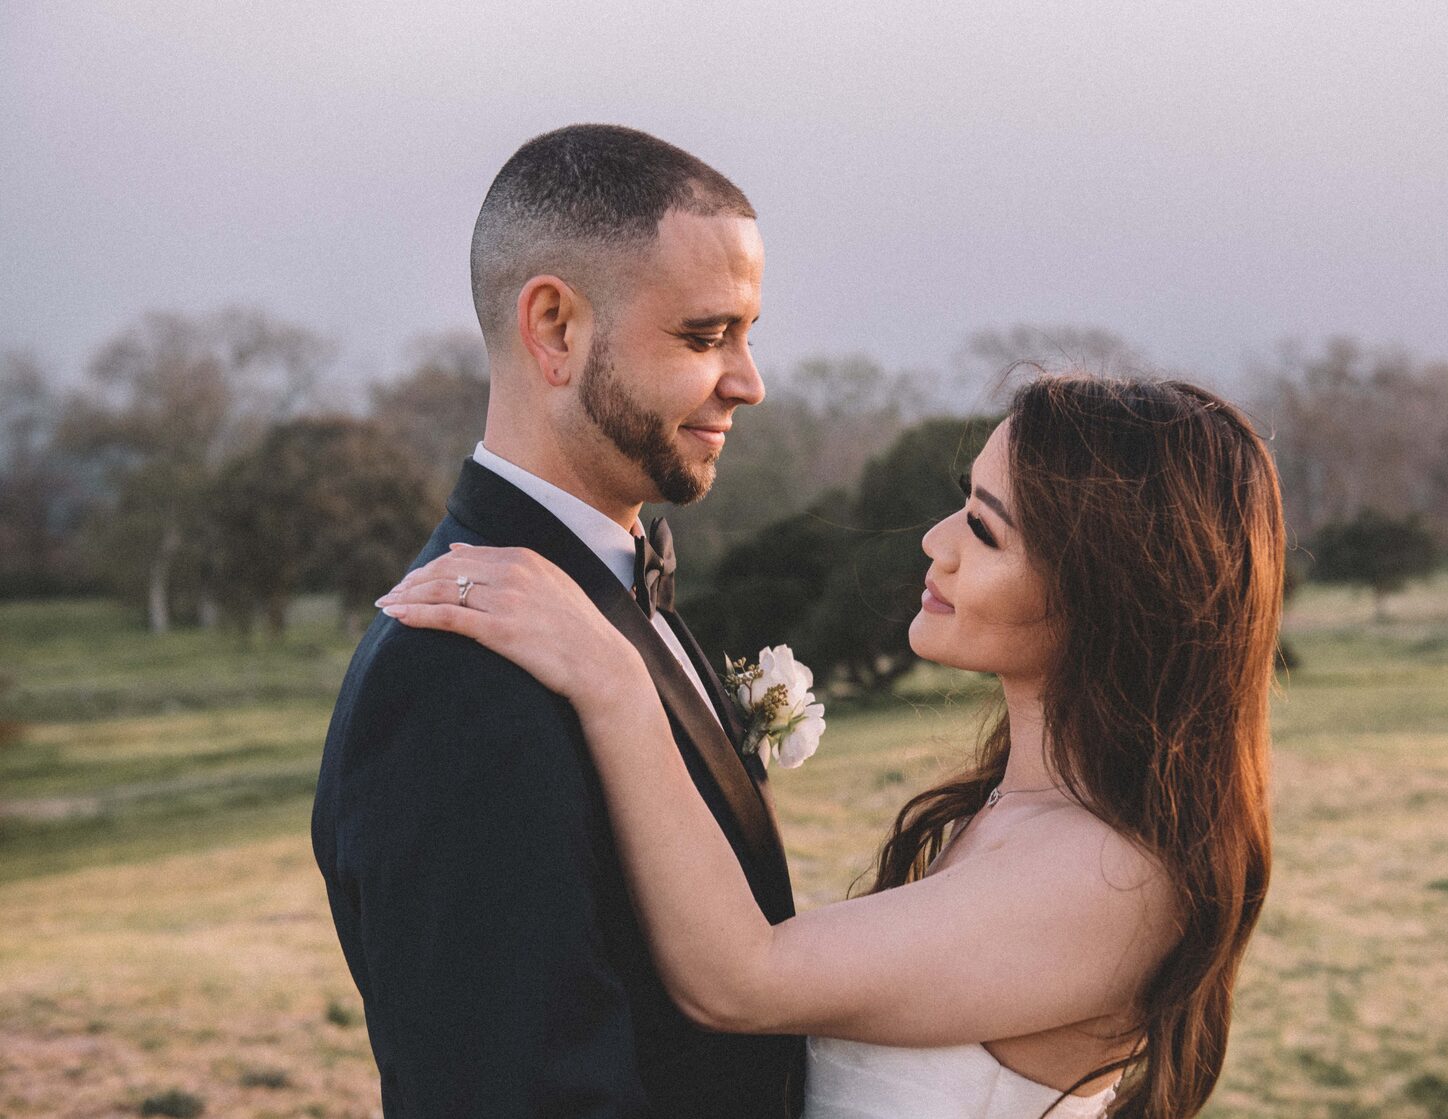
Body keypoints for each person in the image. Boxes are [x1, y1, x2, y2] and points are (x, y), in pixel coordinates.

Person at [377, 373, 1287, 1118]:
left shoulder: (1108, 876)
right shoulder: (1028, 812)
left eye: (983, 527)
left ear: (1105, 596)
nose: (936, 542)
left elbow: (739, 980)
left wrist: (614, 681)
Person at [312, 124, 805, 1118]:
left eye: (747, 335)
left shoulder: (609, 593)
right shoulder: (456, 677)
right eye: (706, 337)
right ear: (556, 329)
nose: (750, 381)